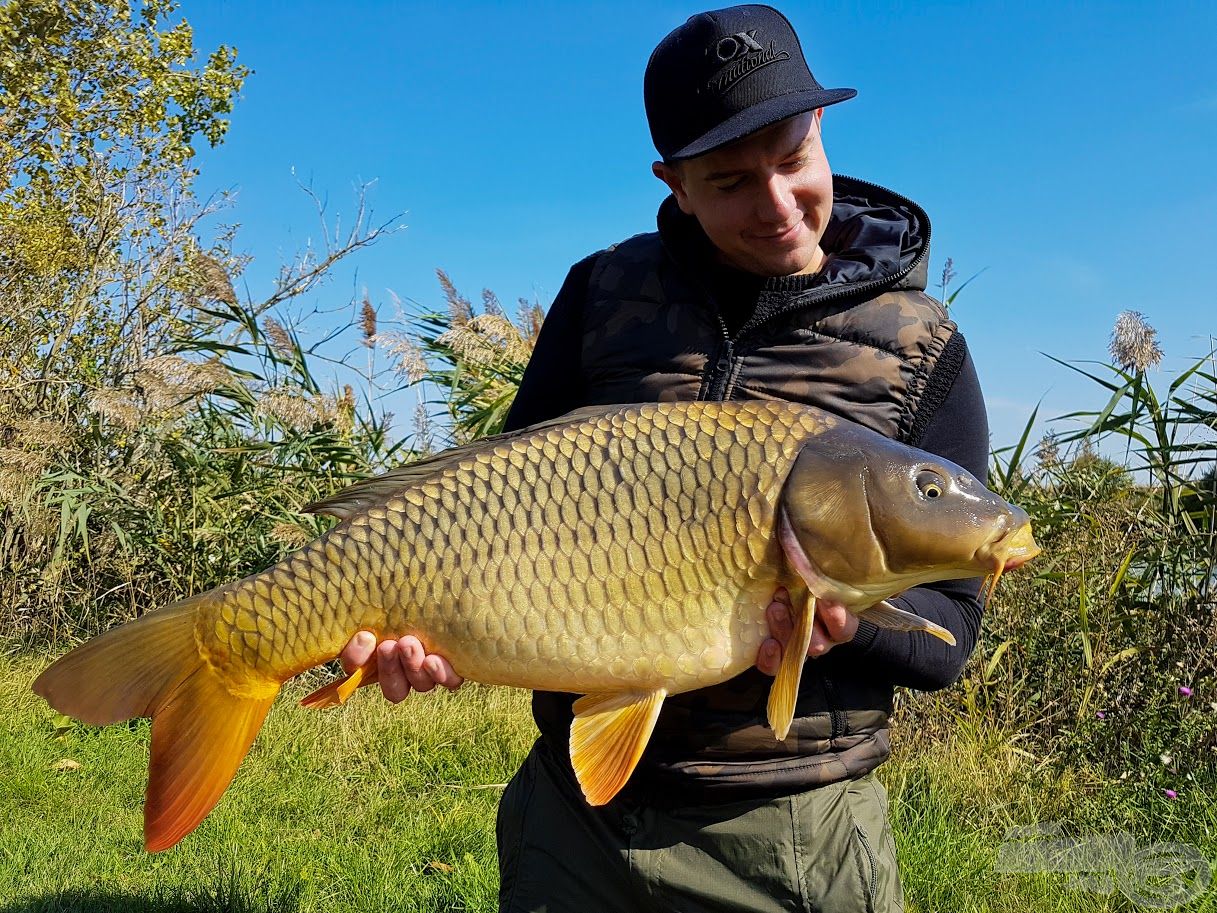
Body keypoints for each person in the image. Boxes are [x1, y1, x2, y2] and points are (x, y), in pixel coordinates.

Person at [341, 5, 990, 911]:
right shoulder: (602, 293)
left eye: (792, 162)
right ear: (673, 183)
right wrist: (430, 631)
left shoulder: (922, 348)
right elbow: (489, 497)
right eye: (727, 182)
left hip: (790, 831)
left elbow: (952, 631)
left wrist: (850, 615)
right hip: (576, 817)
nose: (773, 206)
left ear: (821, 133)